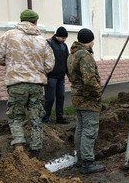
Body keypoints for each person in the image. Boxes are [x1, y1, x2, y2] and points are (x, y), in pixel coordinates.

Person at [0, 9, 55, 156]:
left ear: (21, 20)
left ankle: (19, 147)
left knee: (15, 116)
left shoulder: (8, 36)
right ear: (35, 22)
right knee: (36, 116)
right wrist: (37, 69)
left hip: (16, 83)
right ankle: (35, 150)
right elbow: (49, 65)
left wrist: (11, 64)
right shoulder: (42, 40)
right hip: (36, 84)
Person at [67, 28, 105, 174]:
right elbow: (89, 79)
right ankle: (87, 162)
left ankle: (80, 158)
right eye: (93, 41)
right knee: (90, 129)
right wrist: (97, 93)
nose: (94, 43)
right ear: (89, 41)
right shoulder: (85, 56)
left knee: (81, 127)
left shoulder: (72, 55)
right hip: (88, 98)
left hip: (77, 96)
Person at [43, 26, 69, 124]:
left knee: (61, 96)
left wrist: (68, 73)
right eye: (62, 38)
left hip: (61, 76)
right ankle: (45, 118)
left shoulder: (64, 46)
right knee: (50, 98)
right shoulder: (49, 44)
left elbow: (67, 60)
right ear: (57, 36)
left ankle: (60, 117)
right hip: (51, 76)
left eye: (65, 38)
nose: (64, 40)